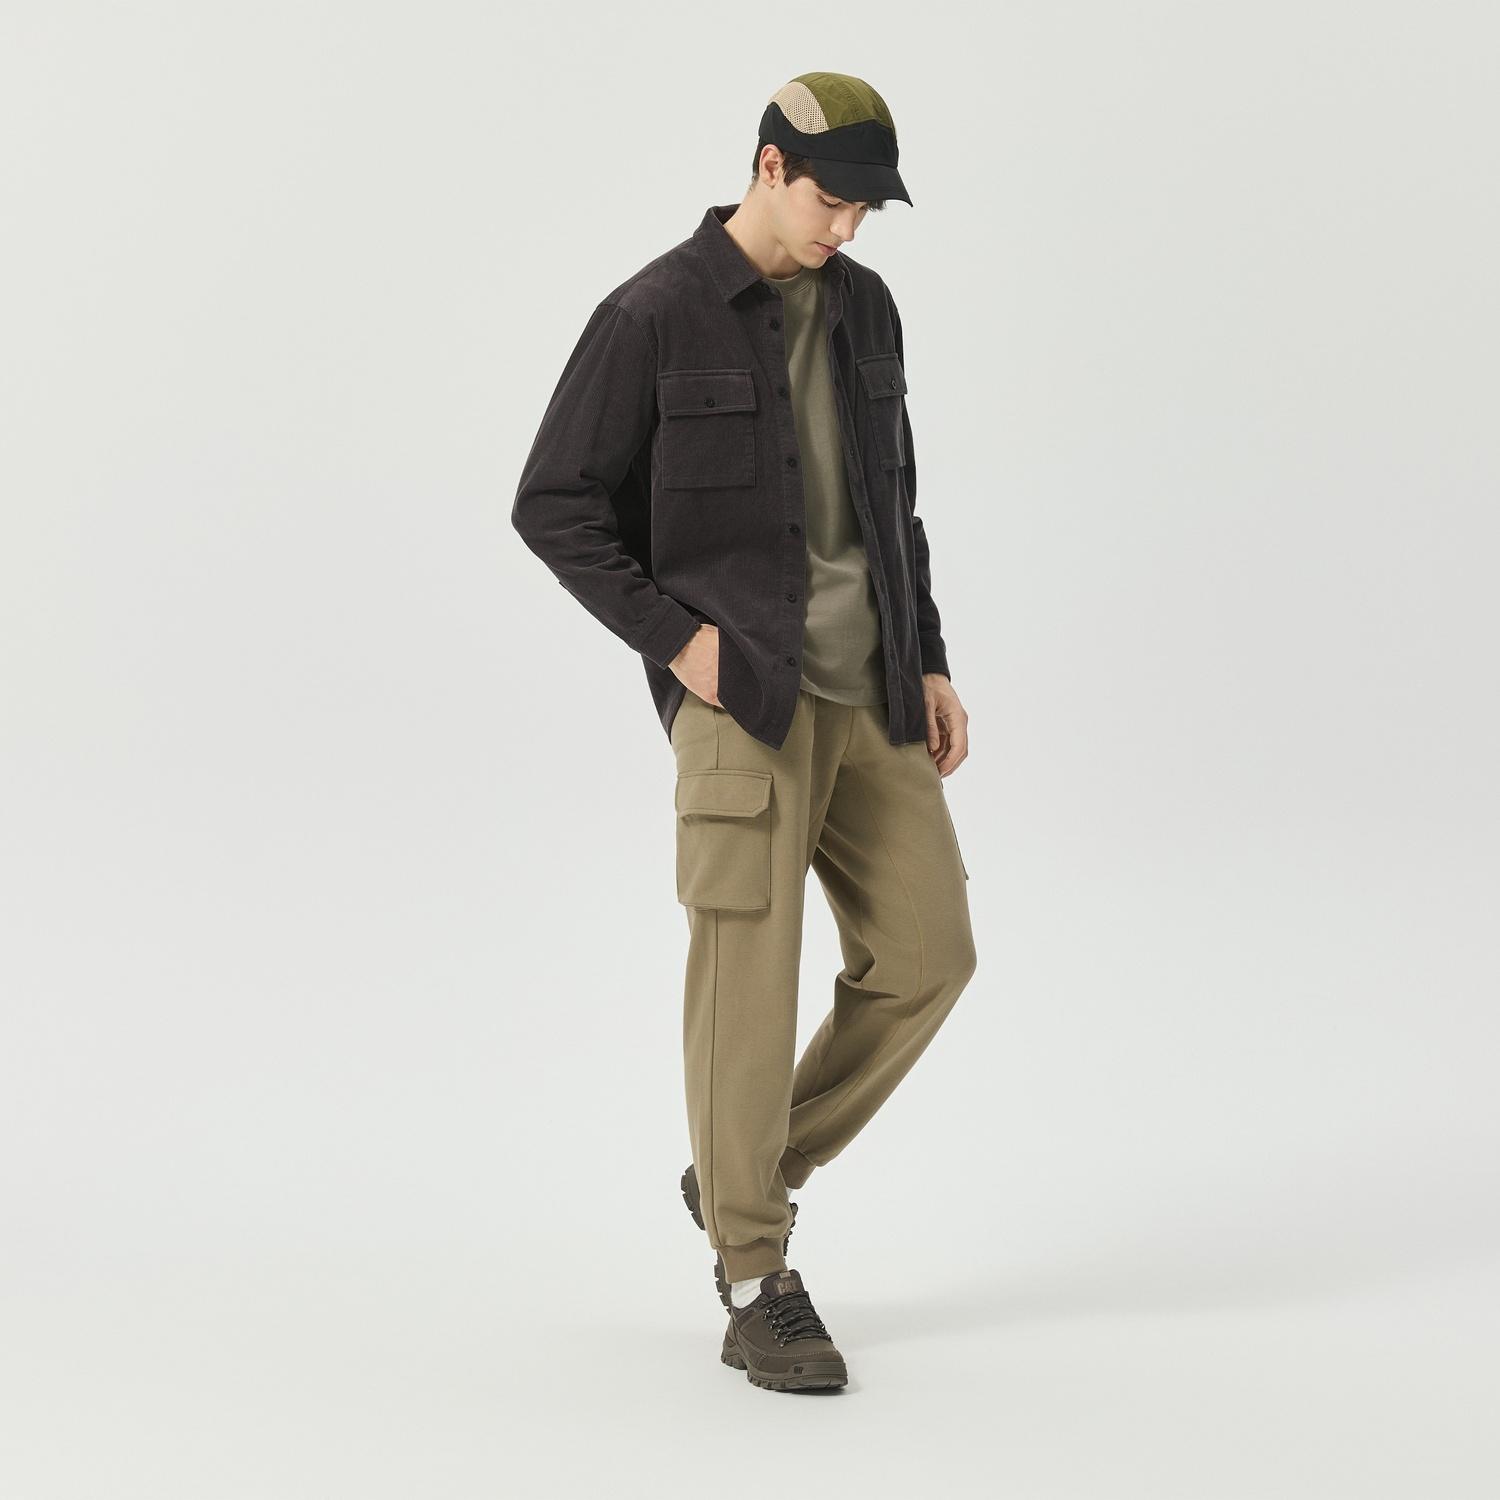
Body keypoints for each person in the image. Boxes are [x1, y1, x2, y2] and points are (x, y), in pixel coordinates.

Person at [511, 71, 976, 1393]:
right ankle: (754, 1272)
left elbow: (894, 500)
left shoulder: (867, 309)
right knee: (748, 991)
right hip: (744, 703)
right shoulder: (652, 314)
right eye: (832, 201)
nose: (847, 229)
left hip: (871, 691)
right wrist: (680, 641)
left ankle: (738, 1171)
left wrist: (929, 657)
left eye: (866, 211)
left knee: (930, 954)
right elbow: (554, 503)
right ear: (769, 167)